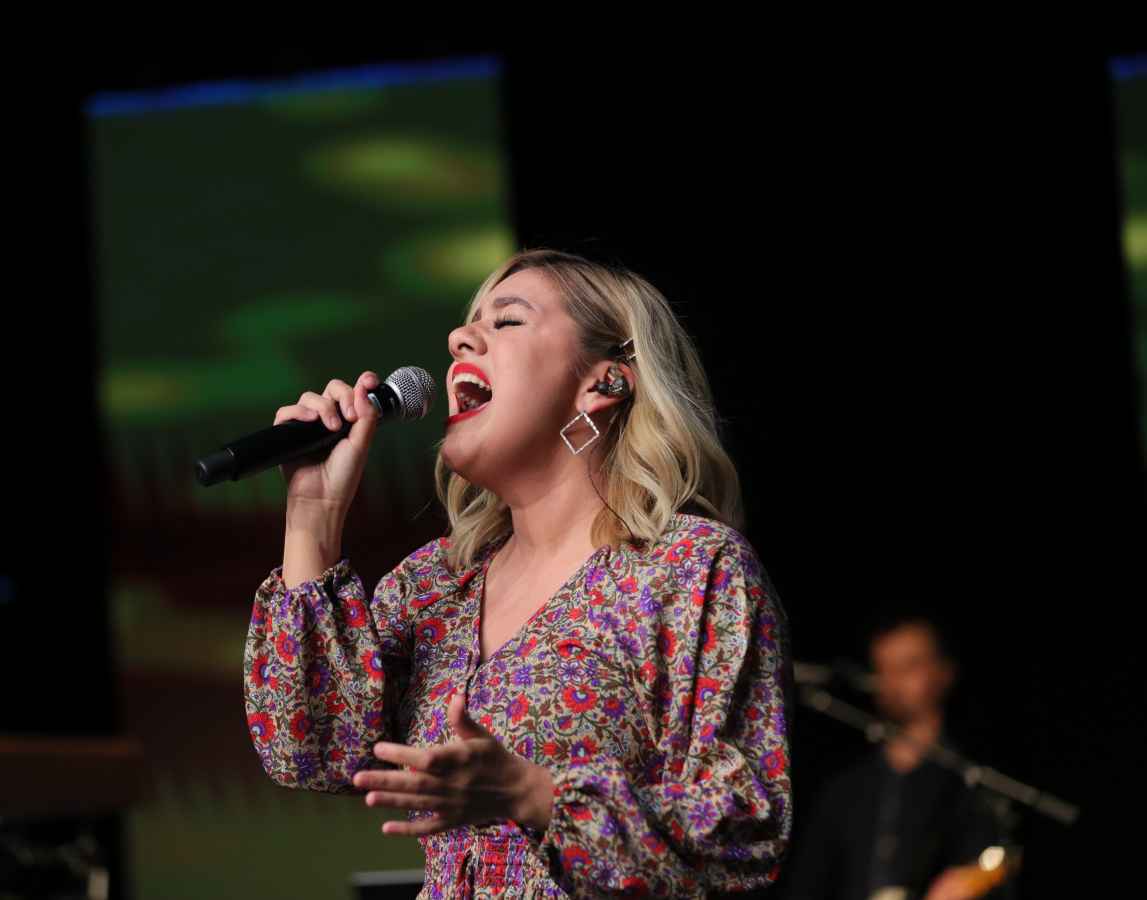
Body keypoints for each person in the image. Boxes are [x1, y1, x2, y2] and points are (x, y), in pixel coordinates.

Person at [244, 249, 792, 898]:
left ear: (604, 383)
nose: (459, 338)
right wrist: (312, 516)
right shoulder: (434, 585)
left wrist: (539, 798)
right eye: (467, 324)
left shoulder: (689, 570)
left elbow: (745, 832)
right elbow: (309, 750)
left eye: (506, 321)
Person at [776, 612, 1003, 900]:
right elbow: (803, 886)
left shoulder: (975, 783)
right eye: (883, 667)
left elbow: (993, 866)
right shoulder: (843, 788)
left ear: (945, 673)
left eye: (909, 666)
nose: (892, 680)